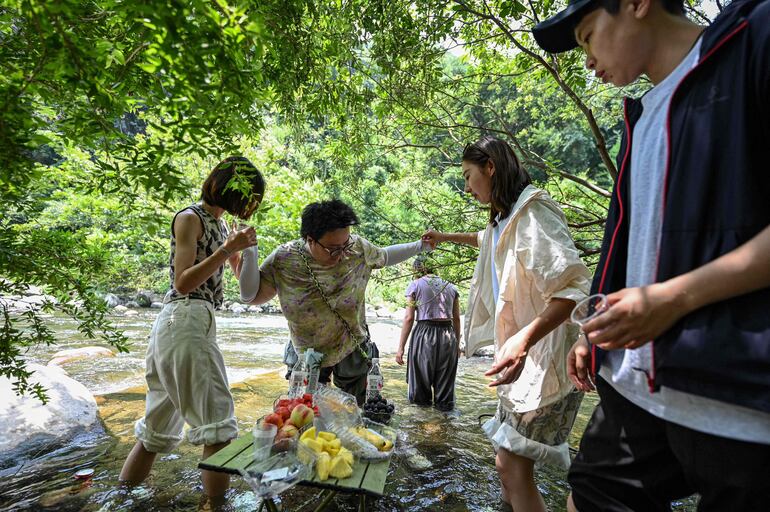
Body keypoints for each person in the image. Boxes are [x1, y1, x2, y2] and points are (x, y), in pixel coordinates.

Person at [532, 0, 770, 510]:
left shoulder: (753, 40)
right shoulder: (640, 117)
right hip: (635, 386)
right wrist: (591, 331)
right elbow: (629, 241)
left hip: (738, 395)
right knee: (586, 498)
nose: (587, 59)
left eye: (588, 36)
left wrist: (673, 298)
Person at [423, 136, 590, 512]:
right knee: (506, 462)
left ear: (491, 167)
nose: (467, 188)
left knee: (510, 465)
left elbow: (575, 289)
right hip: (524, 357)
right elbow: (488, 240)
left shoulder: (534, 212)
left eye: (468, 176)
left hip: (547, 358)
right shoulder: (506, 218)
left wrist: (523, 341)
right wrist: (445, 237)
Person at [119, 157, 265, 499]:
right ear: (230, 189)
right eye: (250, 197)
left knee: (154, 431)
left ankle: (121, 500)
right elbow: (183, 282)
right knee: (218, 427)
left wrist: (246, 252)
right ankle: (215, 506)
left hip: (185, 325)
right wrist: (228, 249)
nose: (251, 205)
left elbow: (241, 281)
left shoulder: (221, 226)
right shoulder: (189, 218)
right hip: (185, 318)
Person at [238, 199, 433, 404]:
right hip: (306, 351)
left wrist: (421, 245)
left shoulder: (356, 248)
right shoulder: (284, 259)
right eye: (333, 249)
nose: (342, 254)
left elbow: (384, 256)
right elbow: (251, 296)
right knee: (306, 411)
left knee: (359, 409)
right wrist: (250, 250)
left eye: (345, 245)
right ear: (310, 240)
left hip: (351, 345)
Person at [396, 255, 461, 411]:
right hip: (448, 335)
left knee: (420, 386)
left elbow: (409, 318)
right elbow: (457, 319)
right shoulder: (450, 287)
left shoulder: (415, 285)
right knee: (445, 390)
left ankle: (420, 421)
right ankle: (444, 421)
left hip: (424, 334)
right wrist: (457, 345)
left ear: (417, 269)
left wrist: (401, 348)